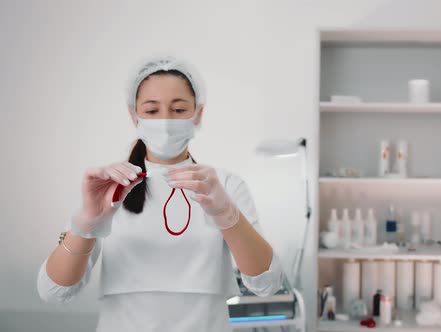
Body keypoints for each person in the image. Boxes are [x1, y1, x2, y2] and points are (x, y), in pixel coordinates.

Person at [36, 55, 285, 331]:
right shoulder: (106, 189)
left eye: (178, 110)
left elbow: (267, 283)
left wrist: (228, 216)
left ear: (197, 114)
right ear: (134, 116)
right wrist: (84, 226)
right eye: (152, 111)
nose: (165, 120)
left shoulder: (224, 186)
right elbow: (53, 291)